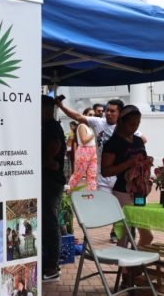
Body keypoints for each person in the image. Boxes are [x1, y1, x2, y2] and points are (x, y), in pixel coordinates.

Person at [56, 97, 146, 242]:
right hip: (104, 176)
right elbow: (77, 116)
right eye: (106, 110)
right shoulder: (99, 122)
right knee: (103, 208)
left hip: (122, 180)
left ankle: (117, 234)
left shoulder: (131, 129)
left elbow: (143, 140)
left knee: (123, 211)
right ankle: (88, 236)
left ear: (120, 113)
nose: (108, 114)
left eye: (112, 111)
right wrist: (60, 105)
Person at [101, 105, 154, 247]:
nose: (135, 127)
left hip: (139, 192)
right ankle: (125, 268)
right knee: (124, 237)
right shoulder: (112, 144)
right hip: (123, 192)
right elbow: (106, 171)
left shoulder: (138, 141)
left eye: (137, 124)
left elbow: (143, 161)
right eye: (131, 124)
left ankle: (136, 265)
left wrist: (147, 165)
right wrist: (129, 163)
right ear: (121, 122)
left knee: (147, 236)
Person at [41, 95, 66, 283]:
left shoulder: (52, 127)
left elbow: (53, 155)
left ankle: (51, 266)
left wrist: (46, 160)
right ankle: (48, 263)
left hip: (51, 182)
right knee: (47, 221)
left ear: (47, 109)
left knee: (49, 222)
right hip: (48, 180)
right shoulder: (48, 126)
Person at [66, 108, 98, 191]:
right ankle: (68, 192)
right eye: (90, 115)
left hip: (92, 151)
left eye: (93, 115)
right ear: (84, 115)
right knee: (78, 174)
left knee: (92, 174)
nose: (92, 117)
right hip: (84, 151)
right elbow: (83, 140)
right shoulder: (82, 126)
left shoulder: (90, 127)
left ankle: (92, 194)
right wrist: (93, 134)